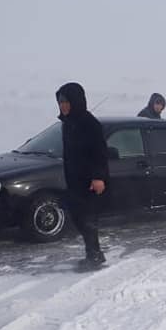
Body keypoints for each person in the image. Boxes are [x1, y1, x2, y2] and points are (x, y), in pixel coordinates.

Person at [56, 83, 108, 268]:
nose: (63, 105)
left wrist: (98, 177)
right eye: (60, 102)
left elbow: (100, 152)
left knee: (87, 217)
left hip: (89, 180)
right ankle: (94, 252)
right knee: (78, 216)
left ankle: (94, 255)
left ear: (76, 101)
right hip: (74, 179)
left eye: (66, 101)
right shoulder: (68, 124)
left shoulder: (89, 124)